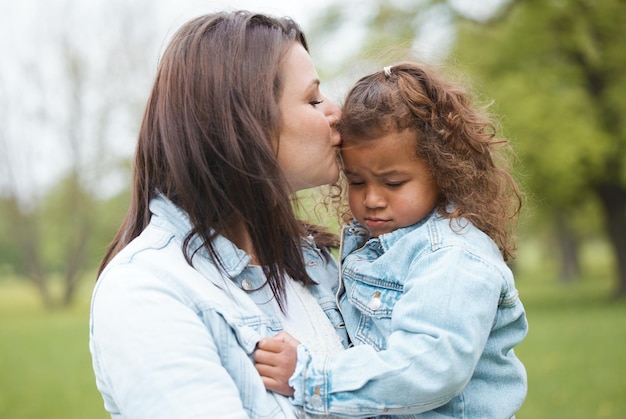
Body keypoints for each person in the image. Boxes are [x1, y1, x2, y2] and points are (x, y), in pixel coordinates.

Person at [89, 10, 350, 418]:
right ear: (245, 122)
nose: (336, 112)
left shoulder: (316, 262)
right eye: (314, 99)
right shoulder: (147, 291)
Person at [254, 62, 528, 418]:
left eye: (393, 183)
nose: (372, 199)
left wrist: (310, 377)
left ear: (442, 171)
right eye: (356, 182)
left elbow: (427, 370)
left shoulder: (452, 256)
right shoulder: (379, 244)